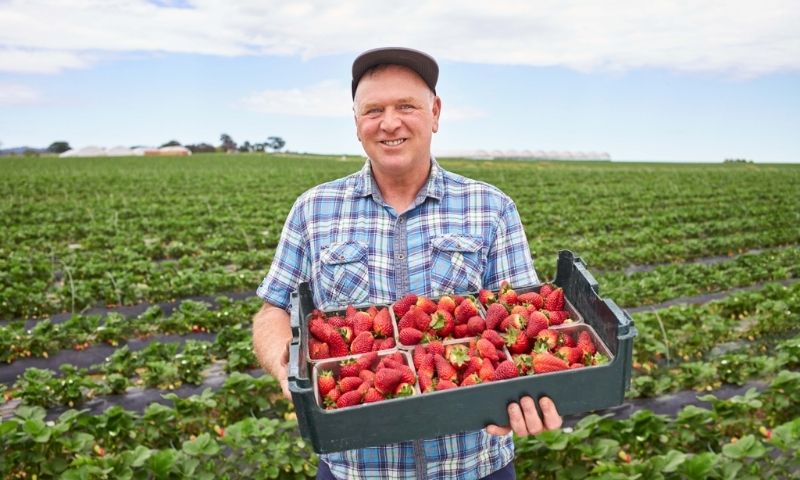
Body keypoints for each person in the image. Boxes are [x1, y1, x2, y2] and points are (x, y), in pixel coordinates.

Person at [252, 47, 562, 480]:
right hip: (354, 469)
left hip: (475, 466)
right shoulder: (313, 210)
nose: (390, 122)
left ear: (435, 113)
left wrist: (528, 393)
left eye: (406, 106)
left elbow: (525, 320)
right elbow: (275, 310)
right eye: (373, 109)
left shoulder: (491, 207)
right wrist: (288, 369)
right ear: (356, 123)